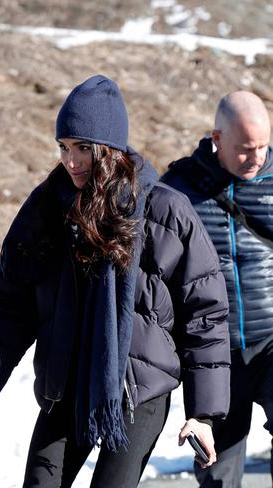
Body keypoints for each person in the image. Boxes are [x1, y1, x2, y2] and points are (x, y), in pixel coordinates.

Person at [0, 75, 231, 488]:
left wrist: (202, 413)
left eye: (83, 148)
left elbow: (204, 315)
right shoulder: (45, 210)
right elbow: (12, 304)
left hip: (138, 391)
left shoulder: (165, 212)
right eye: (64, 147)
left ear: (110, 149)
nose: (71, 161)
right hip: (67, 389)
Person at [161, 91, 273, 487]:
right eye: (245, 149)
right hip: (213, 353)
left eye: (263, 146)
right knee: (218, 471)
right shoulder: (179, 189)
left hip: (271, 340)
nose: (257, 158)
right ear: (217, 138)